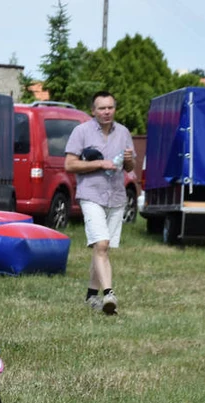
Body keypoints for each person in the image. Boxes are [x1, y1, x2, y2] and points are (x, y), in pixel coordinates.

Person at [64, 90, 136, 315]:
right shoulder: (81, 131)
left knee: (101, 248)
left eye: (110, 107)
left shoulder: (123, 132)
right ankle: (109, 294)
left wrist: (128, 161)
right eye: (102, 108)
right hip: (91, 195)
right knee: (102, 244)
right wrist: (99, 164)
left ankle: (91, 295)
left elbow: (131, 168)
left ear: (115, 108)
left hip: (115, 196)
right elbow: (69, 165)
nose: (106, 112)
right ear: (93, 111)